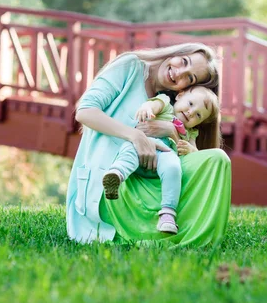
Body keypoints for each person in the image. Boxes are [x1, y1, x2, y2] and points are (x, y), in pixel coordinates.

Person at [67, 43, 231, 246]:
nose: (178, 73)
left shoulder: (173, 106)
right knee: (128, 169)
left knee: (217, 159)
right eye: (184, 61)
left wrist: (171, 131)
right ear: (176, 53)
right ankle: (161, 227)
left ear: (187, 89)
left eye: (189, 78)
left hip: (153, 177)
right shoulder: (130, 67)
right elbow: (85, 111)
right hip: (114, 181)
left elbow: (180, 154)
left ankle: (179, 225)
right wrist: (135, 137)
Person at [102, 85, 221, 235]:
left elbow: (196, 157)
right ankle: (116, 175)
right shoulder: (165, 104)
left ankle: (167, 215)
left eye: (198, 115)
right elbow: (153, 104)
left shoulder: (190, 133)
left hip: (165, 154)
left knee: (173, 168)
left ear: (199, 123)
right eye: (190, 104)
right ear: (180, 96)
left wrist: (191, 150)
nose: (191, 113)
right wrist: (147, 108)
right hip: (142, 144)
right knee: (128, 152)